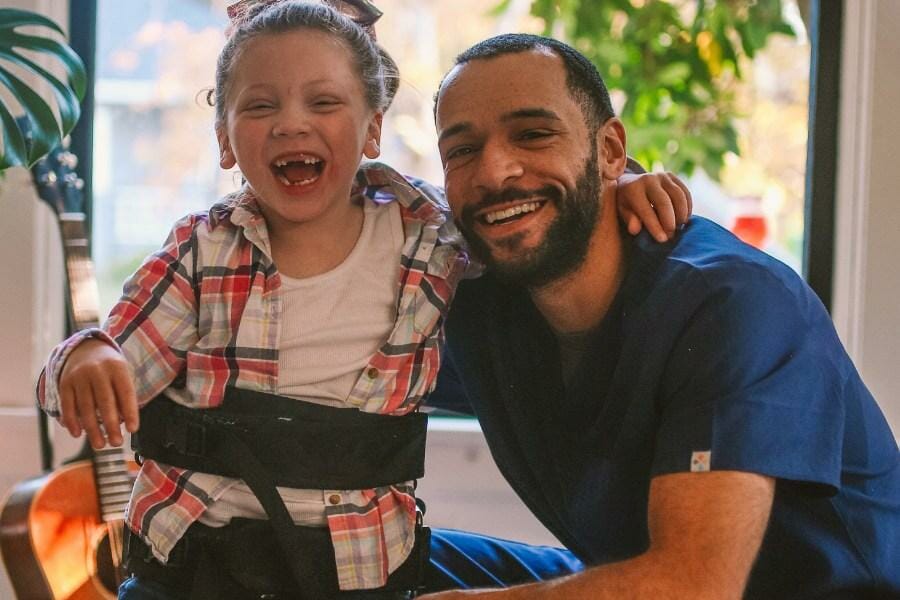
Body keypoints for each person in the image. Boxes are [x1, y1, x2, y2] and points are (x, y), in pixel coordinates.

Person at [35, 4, 688, 599]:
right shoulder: (200, 253)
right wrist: (83, 360)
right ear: (225, 140)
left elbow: (524, 214)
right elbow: (99, 362)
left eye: (325, 101)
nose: (293, 122)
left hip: (361, 574)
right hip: (195, 571)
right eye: (261, 106)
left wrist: (618, 187)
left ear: (373, 129)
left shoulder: (429, 233)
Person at [421, 33, 900, 599]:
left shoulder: (731, 301)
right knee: (382, 559)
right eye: (462, 150)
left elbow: (693, 586)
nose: (495, 171)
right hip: (650, 580)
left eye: (533, 134)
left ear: (609, 151)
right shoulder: (489, 297)